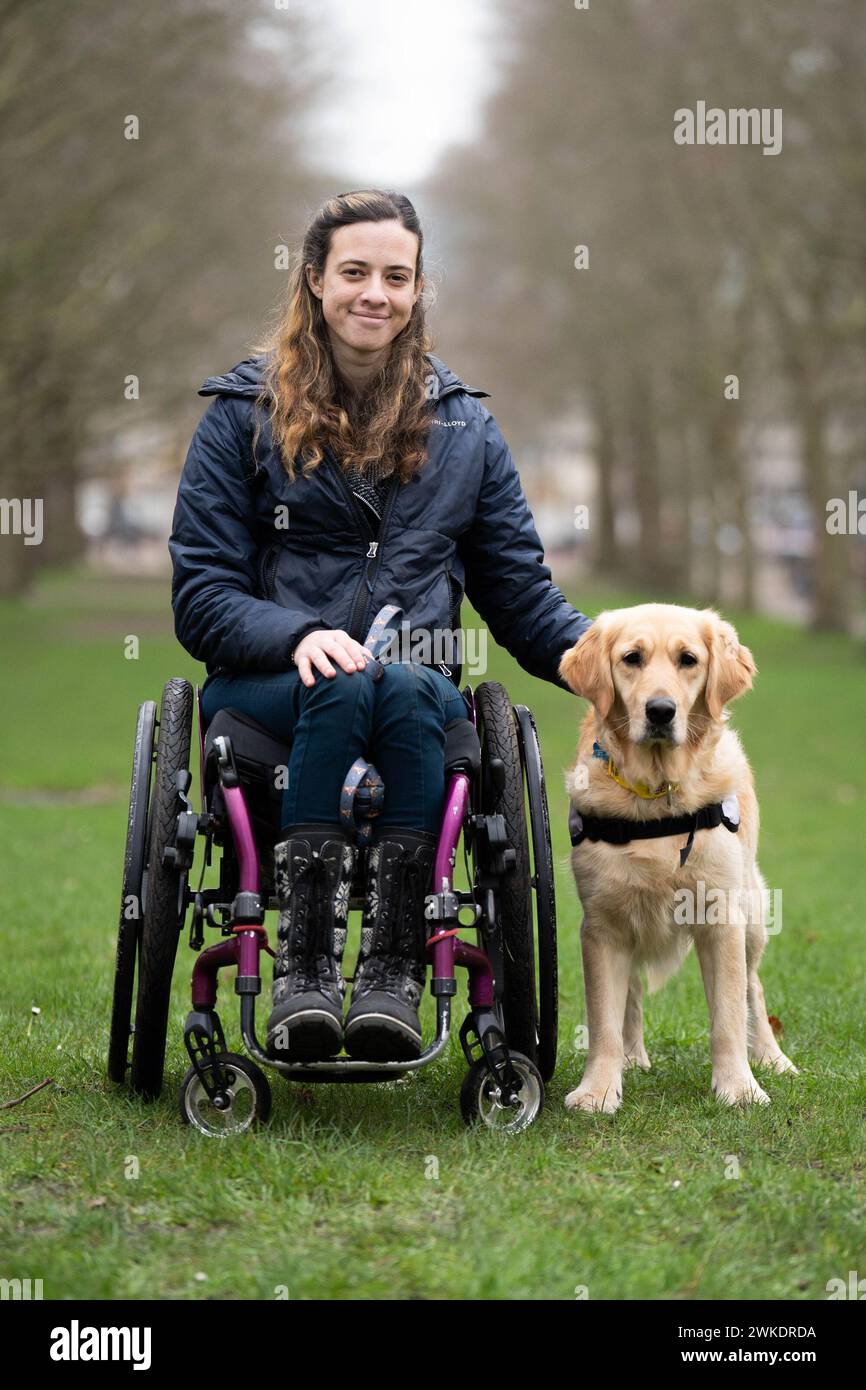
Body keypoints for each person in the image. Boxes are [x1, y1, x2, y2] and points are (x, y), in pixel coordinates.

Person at [169, 188, 592, 1065]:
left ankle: (394, 969)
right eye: (355, 272)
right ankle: (309, 967)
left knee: (399, 682)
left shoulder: (467, 428)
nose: (376, 294)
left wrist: (623, 668)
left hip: (414, 684)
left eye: (396, 276)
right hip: (267, 690)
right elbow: (201, 594)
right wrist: (293, 635)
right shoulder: (237, 417)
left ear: (418, 289)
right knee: (356, 676)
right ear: (315, 281)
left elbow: (519, 595)